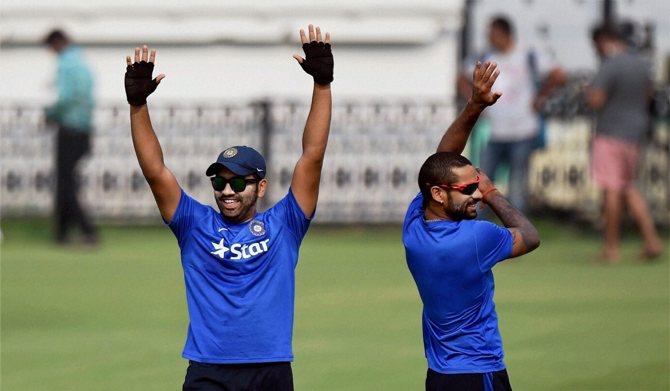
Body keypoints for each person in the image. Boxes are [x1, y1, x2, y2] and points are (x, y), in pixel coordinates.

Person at [124, 25, 332, 390]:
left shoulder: (285, 223)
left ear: (261, 186)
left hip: (270, 368)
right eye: (219, 182)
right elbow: (155, 171)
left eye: (238, 182)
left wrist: (322, 86)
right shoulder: (193, 224)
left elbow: (312, 156)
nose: (226, 191)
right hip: (208, 369)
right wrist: (138, 106)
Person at [404, 61, 540, 390]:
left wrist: (475, 104)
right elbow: (530, 236)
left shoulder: (414, 225)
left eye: (476, 185)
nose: (476, 194)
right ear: (437, 193)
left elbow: (442, 160)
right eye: (468, 189)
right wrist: (493, 192)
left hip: (440, 374)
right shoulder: (475, 238)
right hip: (480, 372)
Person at [458, 15, 566, 213]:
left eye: (492, 34)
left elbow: (559, 74)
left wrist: (541, 97)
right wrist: (474, 103)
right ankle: (478, 230)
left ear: (503, 33)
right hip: (495, 130)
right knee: (481, 182)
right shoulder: (486, 56)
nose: (489, 39)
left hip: (523, 130)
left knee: (517, 187)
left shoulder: (527, 55)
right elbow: (461, 77)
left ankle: (518, 234)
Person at [587, 24, 663, 263]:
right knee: (629, 187)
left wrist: (587, 94)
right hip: (635, 133)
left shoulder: (610, 64)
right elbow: (649, 95)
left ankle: (611, 248)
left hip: (611, 132)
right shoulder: (642, 64)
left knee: (611, 189)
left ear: (603, 40)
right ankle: (652, 241)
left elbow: (596, 100)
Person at [44, 29, 98, 245]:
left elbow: (65, 97)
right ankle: (62, 232)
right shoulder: (83, 62)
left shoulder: (66, 64)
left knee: (65, 183)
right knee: (67, 181)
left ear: (57, 43)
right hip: (84, 128)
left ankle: (85, 229)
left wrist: (50, 113)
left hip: (69, 128)